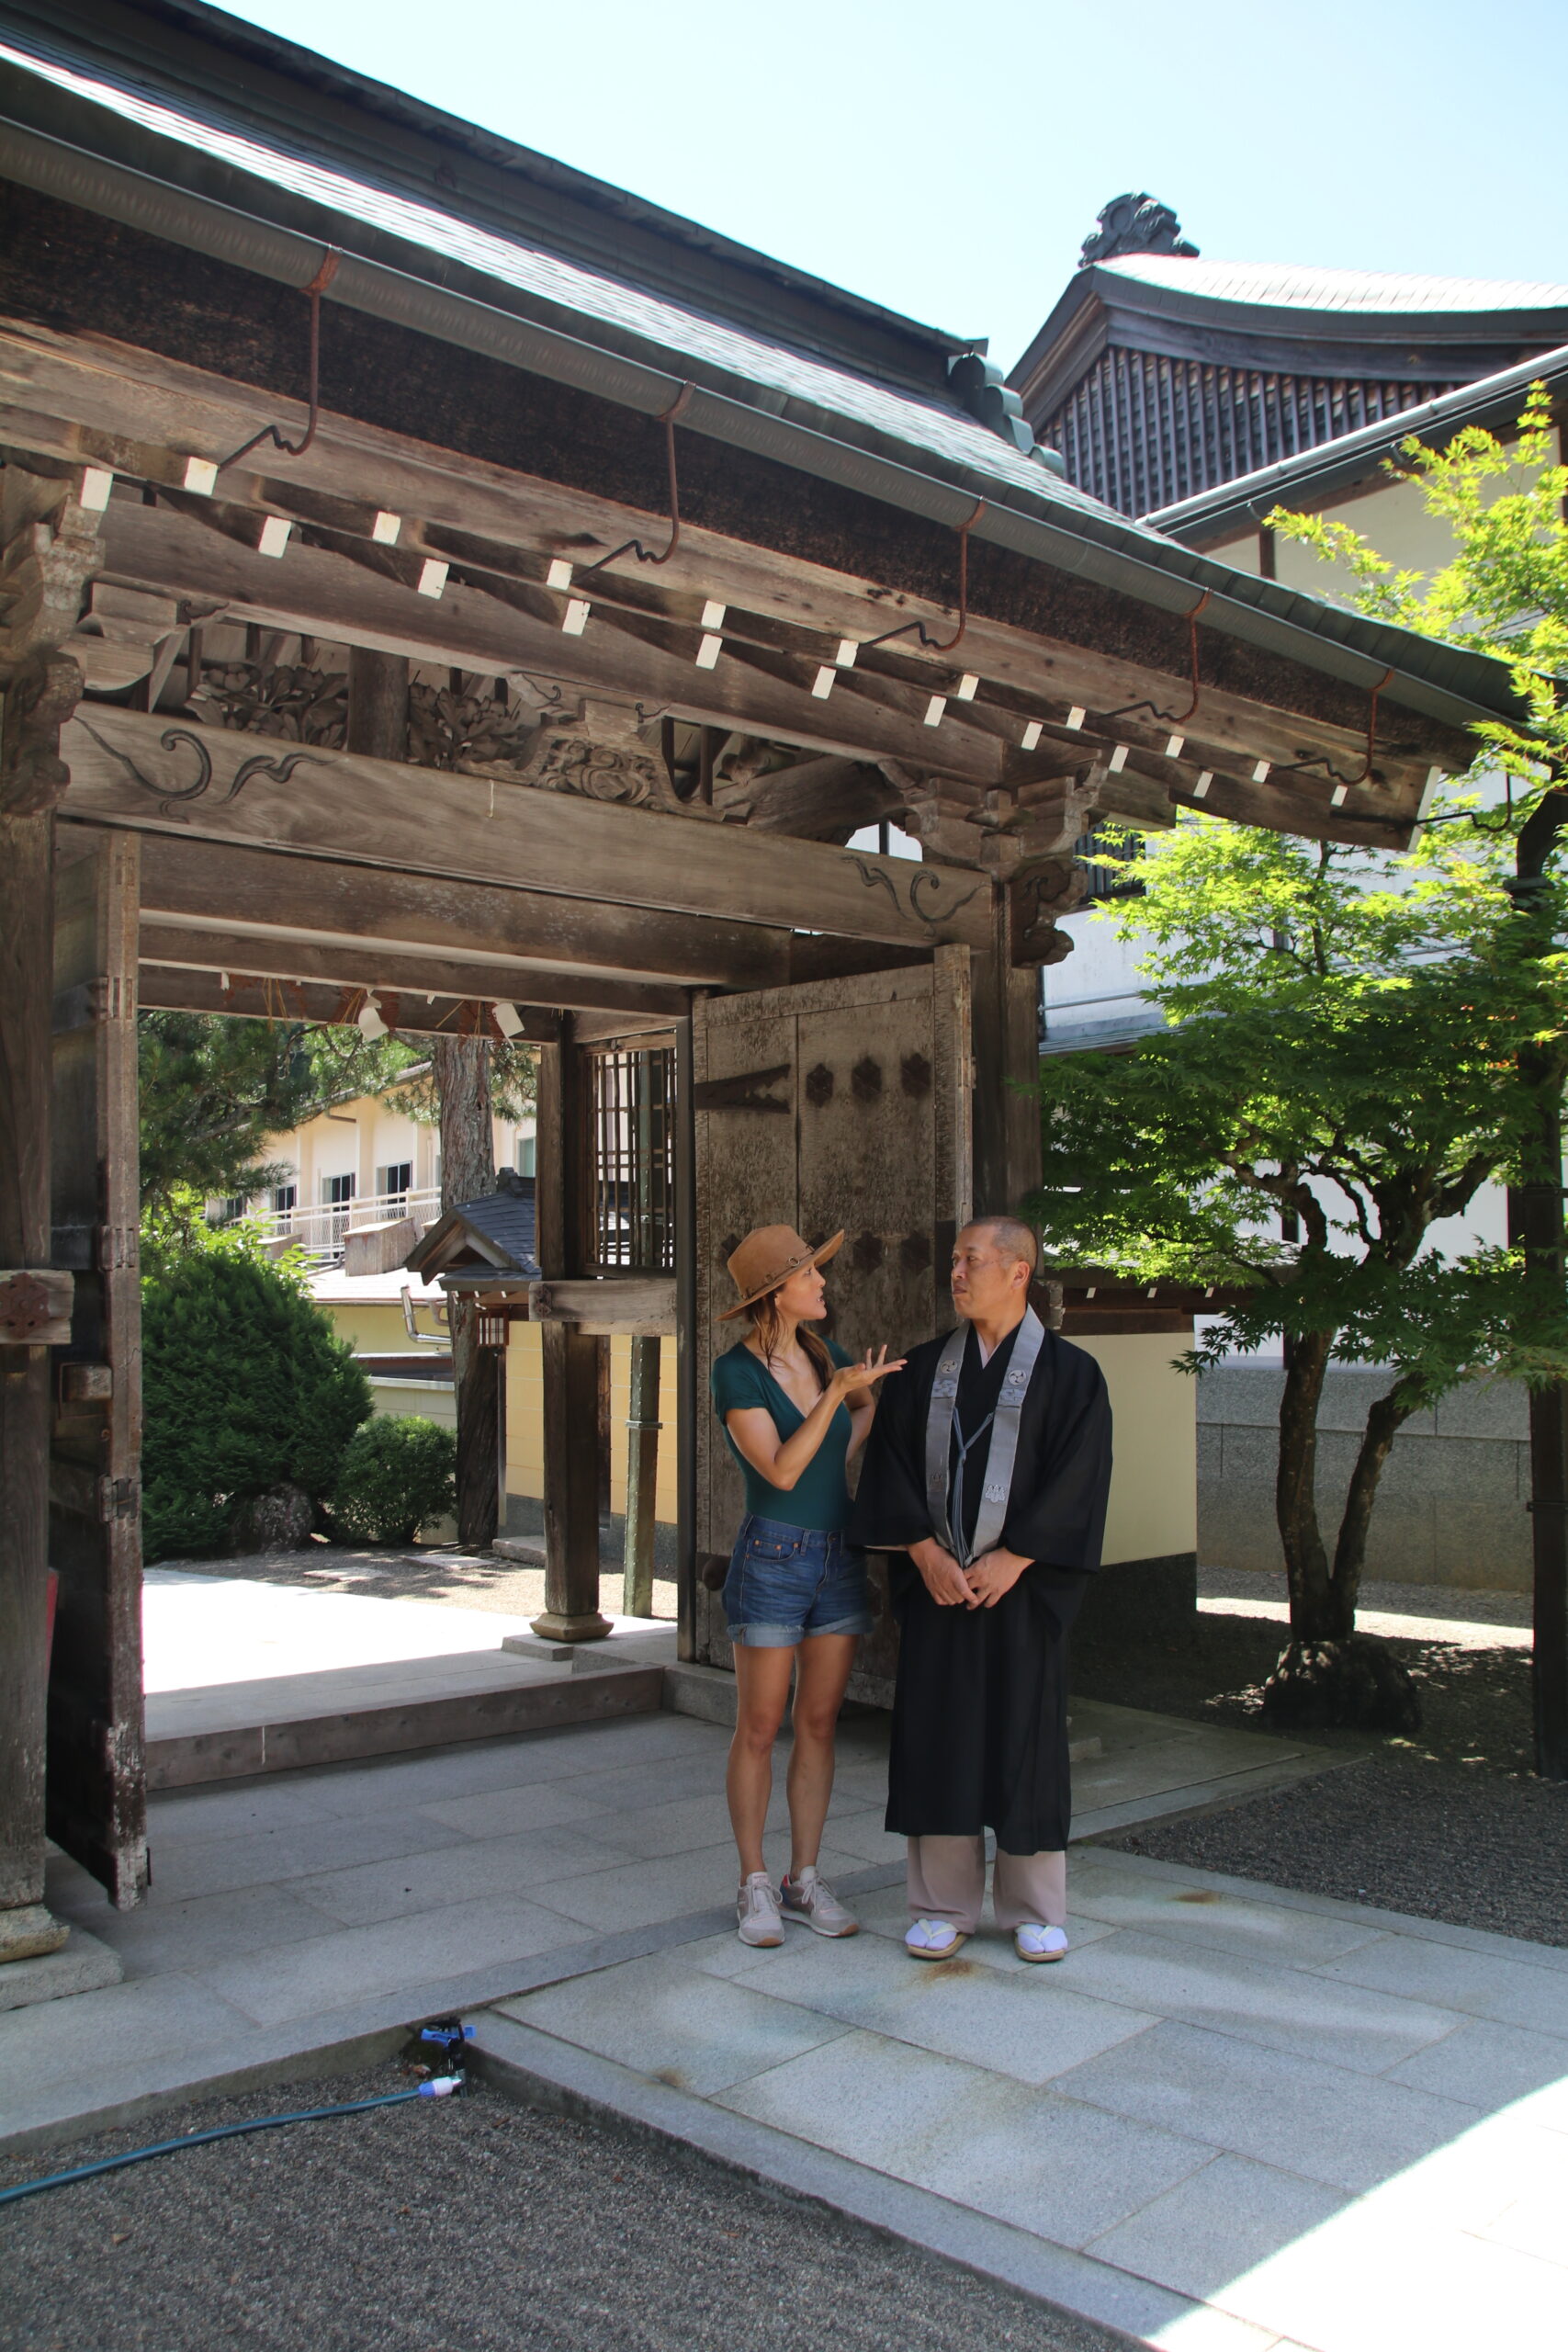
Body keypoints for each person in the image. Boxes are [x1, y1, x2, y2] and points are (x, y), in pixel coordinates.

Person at [848, 1217, 1111, 1964]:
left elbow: (1079, 1479)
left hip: (1020, 1592)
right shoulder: (925, 1368)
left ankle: (1032, 1907)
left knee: (1025, 1739)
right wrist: (923, 1551)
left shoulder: (1072, 1375)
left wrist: (1018, 1557)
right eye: (956, 1261)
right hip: (937, 1588)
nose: (956, 1273)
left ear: (1018, 1270)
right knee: (938, 1738)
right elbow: (892, 1468)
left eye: (970, 1261)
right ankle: (941, 1904)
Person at [712, 1224, 905, 1949]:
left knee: (821, 1725)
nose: (823, 1285)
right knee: (761, 1727)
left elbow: (859, 1414)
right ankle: (754, 1883)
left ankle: (804, 1876)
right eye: (811, 1276)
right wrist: (834, 1402)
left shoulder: (827, 1355)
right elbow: (782, 1471)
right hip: (772, 1556)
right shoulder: (736, 1373)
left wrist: (843, 1414)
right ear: (777, 1294)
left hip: (838, 1555)